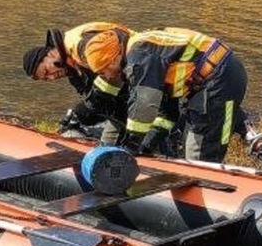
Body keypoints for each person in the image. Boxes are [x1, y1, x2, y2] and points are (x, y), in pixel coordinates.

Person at [97, 27, 250, 162]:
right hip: (212, 76)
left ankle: (207, 184)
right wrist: (147, 144)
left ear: (116, 57)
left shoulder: (140, 57)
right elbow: (168, 113)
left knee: (199, 150)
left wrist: (130, 146)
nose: (107, 76)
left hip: (219, 78)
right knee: (191, 143)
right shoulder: (148, 54)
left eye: (104, 70)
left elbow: (144, 104)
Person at [22, 22, 136, 142]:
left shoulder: (81, 45)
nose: (51, 77)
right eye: (46, 79)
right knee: (107, 138)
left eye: (46, 71)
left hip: (144, 72)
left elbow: (111, 76)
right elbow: (100, 101)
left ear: (50, 54)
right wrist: (81, 116)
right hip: (130, 95)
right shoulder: (73, 71)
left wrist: (84, 110)